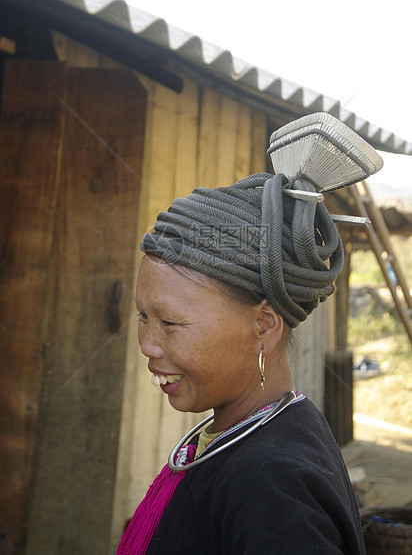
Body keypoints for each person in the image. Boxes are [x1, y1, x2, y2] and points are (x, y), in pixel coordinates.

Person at [117, 115, 372, 554]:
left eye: (171, 323)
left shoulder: (275, 489)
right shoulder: (236, 435)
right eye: (143, 316)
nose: (148, 344)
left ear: (264, 327)